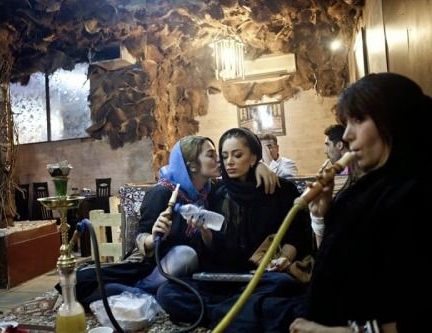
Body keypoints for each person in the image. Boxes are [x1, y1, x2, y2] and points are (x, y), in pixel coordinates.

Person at [260, 73, 429, 333]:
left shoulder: (417, 195)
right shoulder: (367, 188)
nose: (348, 135)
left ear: (396, 121)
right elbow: (332, 265)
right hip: (318, 316)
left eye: (359, 120)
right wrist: (320, 216)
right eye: (347, 122)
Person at [73, 135, 278, 309]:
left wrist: (259, 166)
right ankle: (140, 291)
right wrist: (153, 239)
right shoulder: (163, 193)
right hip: (154, 265)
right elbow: (141, 237)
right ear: (193, 166)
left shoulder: (211, 191)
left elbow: (241, 177)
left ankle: (143, 296)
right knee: (184, 254)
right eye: (211, 155)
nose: (220, 160)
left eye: (218, 155)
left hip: (192, 268)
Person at [156, 127, 311, 328]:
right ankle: (245, 312)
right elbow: (211, 252)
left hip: (262, 277)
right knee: (168, 292)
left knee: (284, 284)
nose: (229, 162)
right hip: (225, 278)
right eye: (225, 156)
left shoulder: (279, 190)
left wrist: (285, 259)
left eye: (237, 155)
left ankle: (224, 313)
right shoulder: (217, 193)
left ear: (254, 158)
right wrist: (204, 232)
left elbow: (296, 235)